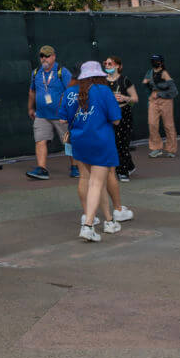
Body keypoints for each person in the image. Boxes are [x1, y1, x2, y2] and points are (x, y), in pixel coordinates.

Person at [61, 61, 124, 243]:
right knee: (97, 183)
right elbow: (116, 120)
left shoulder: (70, 92)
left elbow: (63, 119)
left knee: (92, 181)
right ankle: (88, 225)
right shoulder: (104, 91)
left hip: (80, 142)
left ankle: (109, 221)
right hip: (101, 141)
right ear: (99, 75)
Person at [26, 44, 73, 180]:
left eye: (47, 56)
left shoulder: (62, 71)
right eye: (42, 56)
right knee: (40, 140)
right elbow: (32, 91)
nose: (44, 59)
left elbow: (71, 91)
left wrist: (68, 110)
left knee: (68, 141)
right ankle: (42, 169)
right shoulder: (36, 73)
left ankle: (75, 167)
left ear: (53, 56)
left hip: (61, 115)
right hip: (41, 114)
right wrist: (30, 108)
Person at [102, 58, 138, 209]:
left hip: (123, 111)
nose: (107, 66)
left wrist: (125, 98)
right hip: (108, 114)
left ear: (118, 66)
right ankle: (128, 165)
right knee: (112, 142)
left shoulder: (125, 80)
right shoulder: (103, 81)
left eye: (110, 64)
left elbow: (135, 99)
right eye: (105, 64)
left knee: (122, 142)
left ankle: (123, 171)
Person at [144, 54, 178, 159]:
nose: (154, 62)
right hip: (153, 101)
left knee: (168, 125)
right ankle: (156, 149)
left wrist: (160, 94)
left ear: (161, 63)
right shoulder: (149, 73)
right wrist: (151, 94)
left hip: (166, 101)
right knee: (152, 123)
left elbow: (174, 91)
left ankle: (171, 149)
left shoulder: (165, 74)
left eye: (157, 61)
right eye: (153, 60)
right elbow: (146, 84)